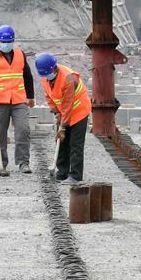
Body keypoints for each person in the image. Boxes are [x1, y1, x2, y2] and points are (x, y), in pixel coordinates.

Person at [0, 24, 34, 175]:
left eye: (9, 41)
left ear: (13, 41)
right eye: (4, 42)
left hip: (19, 100)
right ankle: (1, 164)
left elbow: (27, 76)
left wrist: (30, 96)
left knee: (23, 130)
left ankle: (23, 162)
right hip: (0, 101)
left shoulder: (20, 54)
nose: (7, 44)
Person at [35, 52, 90, 185]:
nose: (46, 77)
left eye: (48, 73)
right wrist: (56, 112)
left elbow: (67, 105)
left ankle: (75, 176)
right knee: (61, 141)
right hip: (64, 112)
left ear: (54, 68)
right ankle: (62, 173)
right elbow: (49, 96)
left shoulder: (68, 79)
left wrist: (63, 127)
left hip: (79, 111)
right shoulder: (46, 76)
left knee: (75, 144)